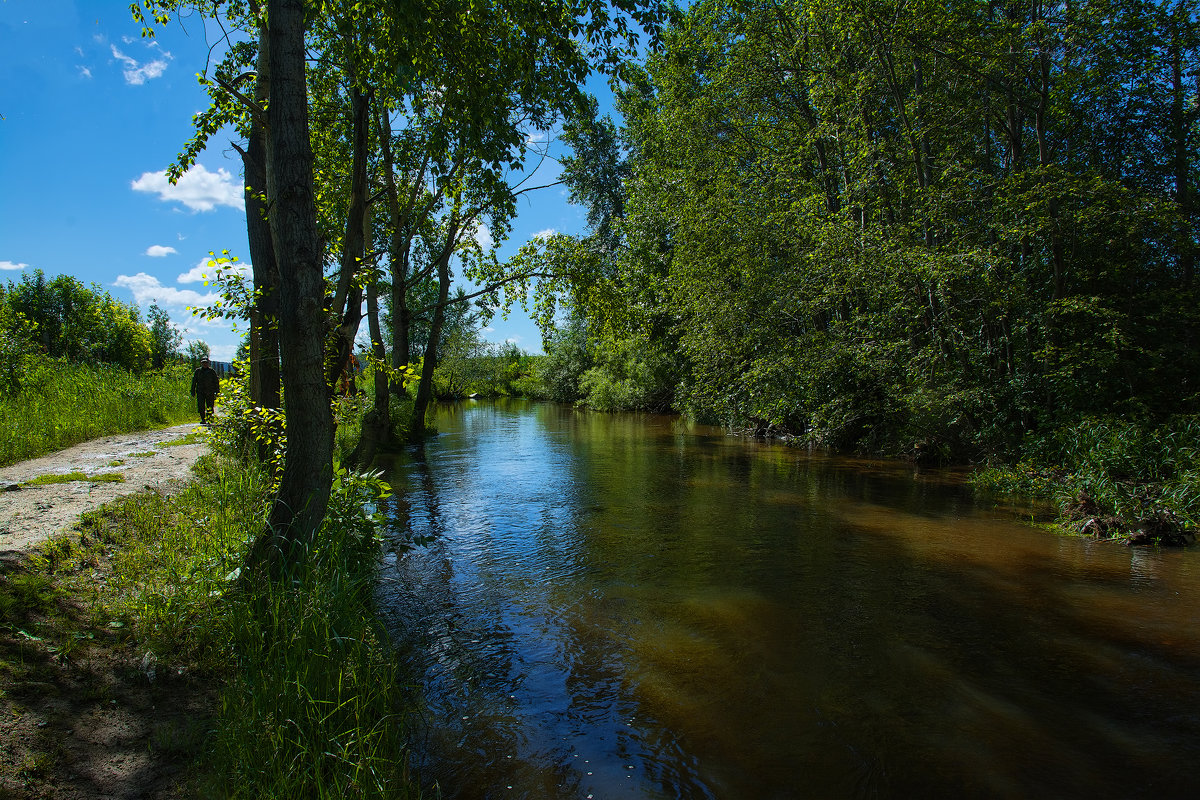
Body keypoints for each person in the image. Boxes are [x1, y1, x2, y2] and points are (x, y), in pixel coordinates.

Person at [190, 358, 220, 424]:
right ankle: (203, 419)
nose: (205, 364)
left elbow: (216, 382)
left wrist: (217, 391)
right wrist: (192, 390)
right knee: (201, 406)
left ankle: (209, 419)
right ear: (201, 363)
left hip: (210, 391)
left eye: (206, 363)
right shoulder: (198, 371)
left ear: (208, 363)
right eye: (203, 363)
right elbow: (194, 381)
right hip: (200, 391)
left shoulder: (212, 371)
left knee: (210, 406)